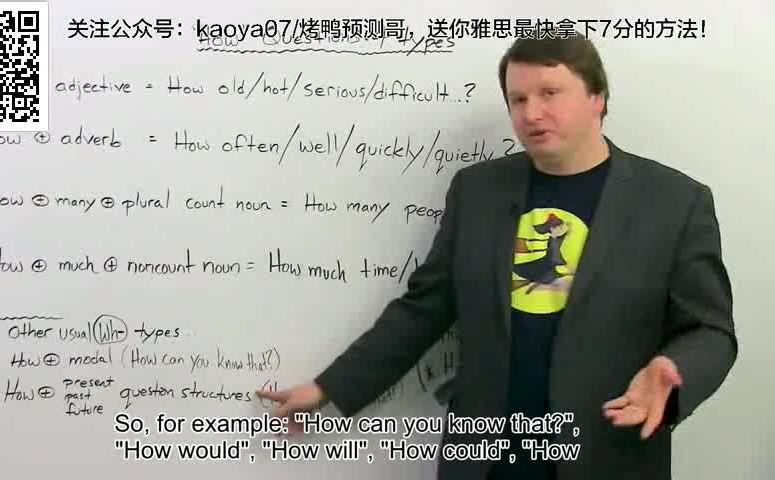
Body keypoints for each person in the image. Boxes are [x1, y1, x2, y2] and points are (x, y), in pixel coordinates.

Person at [256, 31, 737, 480]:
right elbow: (424, 308)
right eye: (518, 99)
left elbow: (710, 329)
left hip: (605, 452)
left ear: (597, 98)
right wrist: (330, 388)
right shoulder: (477, 191)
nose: (531, 113)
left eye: (550, 93)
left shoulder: (674, 202)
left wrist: (676, 373)